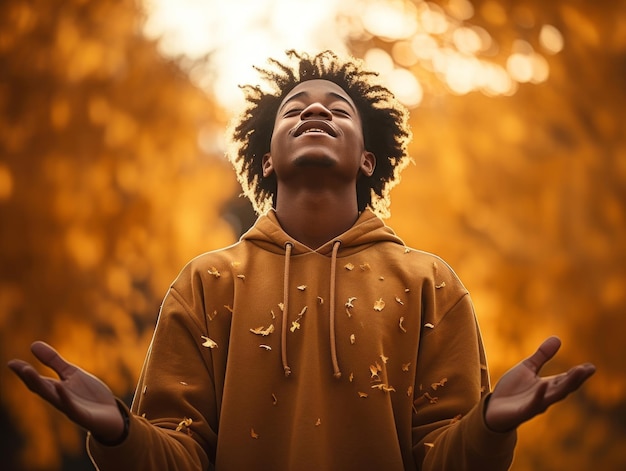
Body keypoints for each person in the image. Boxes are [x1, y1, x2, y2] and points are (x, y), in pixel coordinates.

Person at [8, 50, 595, 471]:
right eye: (294, 109)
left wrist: (490, 426)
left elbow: (443, 456)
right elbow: (179, 456)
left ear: (368, 160)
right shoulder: (207, 282)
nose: (316, 112)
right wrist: (119, 432)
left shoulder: (431, 282)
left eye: (339, 109)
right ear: (265, 161)